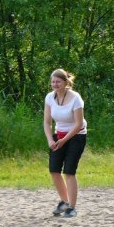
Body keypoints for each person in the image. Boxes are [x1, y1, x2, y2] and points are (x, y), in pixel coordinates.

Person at [43, 68, 87, 218]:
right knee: (54, 169)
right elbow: (47, 122)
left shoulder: (76, 98)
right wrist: (51, 139)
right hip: (59, 135)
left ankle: (72, 208)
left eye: (58, 81)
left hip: (76, 135)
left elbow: (78, 124)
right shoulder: (49, 97)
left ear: (66, 82)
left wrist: (63, 141)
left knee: (69, 171)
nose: (55, 84)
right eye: (53, 81)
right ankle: (64, 201)